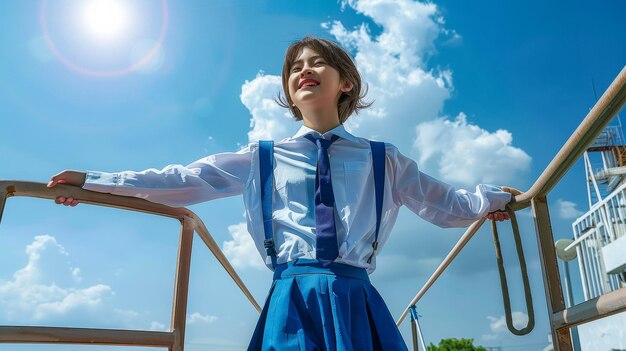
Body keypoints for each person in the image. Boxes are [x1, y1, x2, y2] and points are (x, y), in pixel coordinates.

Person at [48, 36, 522, 350]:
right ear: (289, 91)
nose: (304, 70)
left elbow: (447, 206)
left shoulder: (384, 158)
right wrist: (94, 183)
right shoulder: (263, 155)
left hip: (355, 296)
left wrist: (496, 200)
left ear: (346, 83)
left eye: (318, 63)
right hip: (291, 293)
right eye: (295, 67)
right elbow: (183, 180)